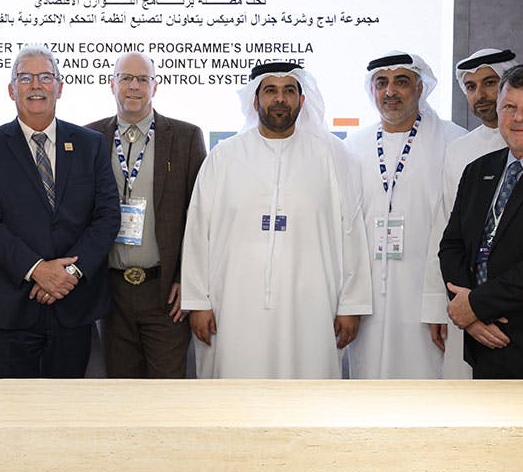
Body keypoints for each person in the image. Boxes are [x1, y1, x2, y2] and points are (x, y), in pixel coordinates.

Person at [181, 61, 372, 379]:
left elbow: (351, 232)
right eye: (270, 91)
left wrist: (350, 305)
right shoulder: (225, 156)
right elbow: (199, 231)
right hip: (234, 305)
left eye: (289, 91)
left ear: (302, 100)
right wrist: (198, 301)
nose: (280, 99)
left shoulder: (332, 156)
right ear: (255, 101)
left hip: (310, 306)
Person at [420, 48, 523, 378]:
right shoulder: (471, 162)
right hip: (476, 331)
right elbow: (450, 241)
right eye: (509, 107)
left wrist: (478, 306)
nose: (518, 117)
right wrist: (467, 312)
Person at [0, 44, 119, 377]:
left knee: (65, 416)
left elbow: (107, 216)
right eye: (25, 77)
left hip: (73, 304)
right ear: (11, 89)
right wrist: (37, 269)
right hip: (9, 309)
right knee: (8, 415)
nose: (36, 85)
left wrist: (68, 274)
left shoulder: (90, 144)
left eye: (46, 77)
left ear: (60, 87)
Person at [343, 51, 465, 379]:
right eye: (381, 83)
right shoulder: (352, 146)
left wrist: (440, 300)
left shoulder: (453, 142)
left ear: (420, 88)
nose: (390, 92)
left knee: (428, 378)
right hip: (368, 299)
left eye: (401, 82)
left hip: (428, 294)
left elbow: (458, 229)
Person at [85, 52, 207, 378]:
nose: (134, 87)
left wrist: (188, 280)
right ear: (112, 84)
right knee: (122, 396)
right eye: (126, 78)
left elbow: (200, 220)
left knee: (166, 396)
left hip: (165, 292)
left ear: (156, 86)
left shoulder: (185, 138)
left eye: (143, 79)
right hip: (111, 294)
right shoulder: (89, 138)